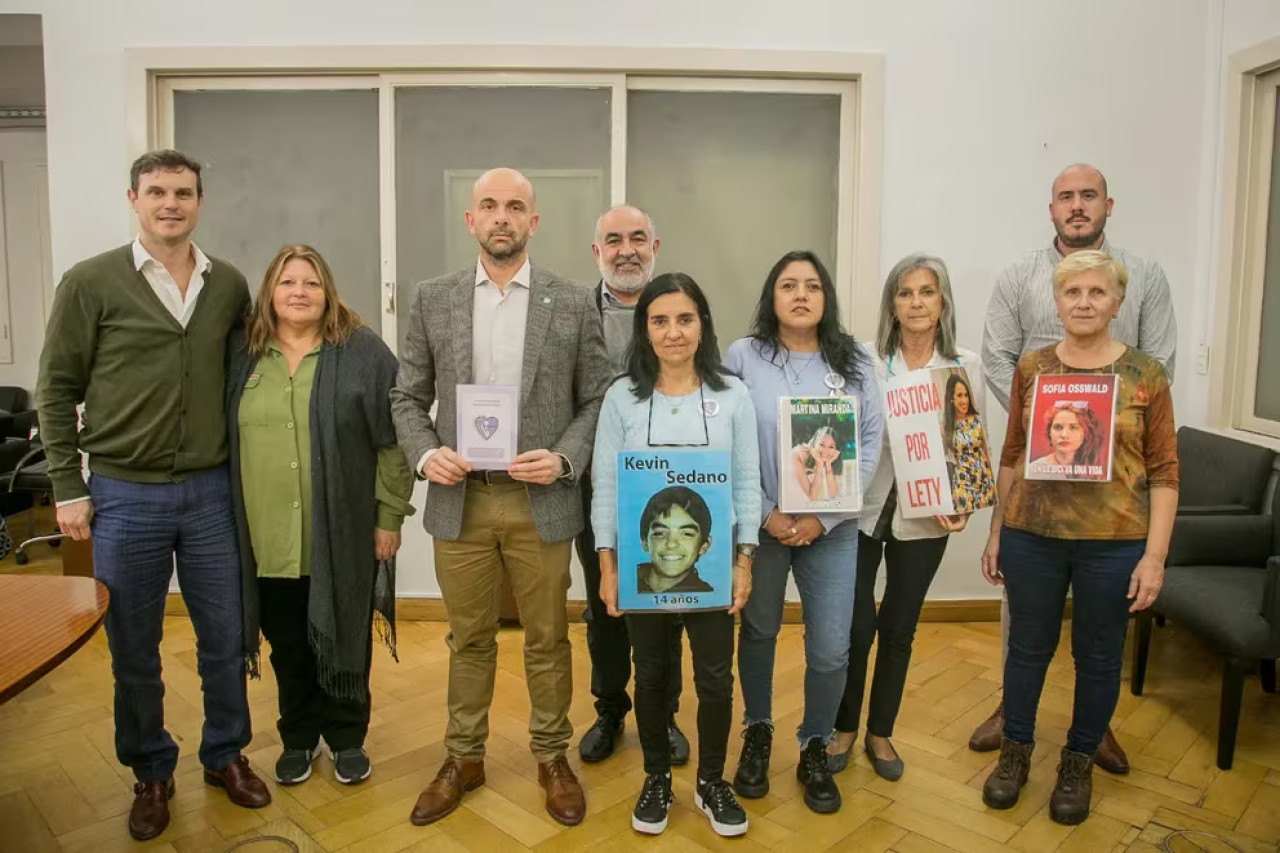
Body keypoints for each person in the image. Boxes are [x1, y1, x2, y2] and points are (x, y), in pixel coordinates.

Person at [34, 149, 270, 841]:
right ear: (133, 199)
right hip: (123, 494)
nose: (172, 202)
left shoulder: (225, 283)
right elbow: (54, 390)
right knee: (132, 644)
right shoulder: (90, 282)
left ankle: (226, 752)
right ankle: (151, 769)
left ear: (200, 201)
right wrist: (65, 487)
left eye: (185, 192)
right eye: (158, 191)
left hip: (209, 493)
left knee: (225, 637)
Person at [391, 167, 610, 828]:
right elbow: (406, 396)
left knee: (547, 636)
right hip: (462, 500)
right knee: (468, 638)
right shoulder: (434, 298)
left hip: (539, 500)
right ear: (471, 220)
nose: (502, 216)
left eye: (515, 206)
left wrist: (566, 456)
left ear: (534, 221)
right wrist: (428, 454)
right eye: (488, 205)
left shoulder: (571, 301)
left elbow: (598, 396)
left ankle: (551, 756)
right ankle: (464, 756)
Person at [975, 163, 1178, 772]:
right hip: (1035, 519)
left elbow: (1164, 463)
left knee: (1098, 652)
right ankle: (1017, 734)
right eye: (1066, 196)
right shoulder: (1031, 355)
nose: (1078, 205)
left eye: (1089, 195)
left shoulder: (1145, 349)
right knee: (1026, 645)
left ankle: (1086, 744)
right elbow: (1010, 438)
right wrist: (1048, 421)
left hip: (1114, 526)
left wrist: (1155, 554)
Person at [227, 244, 415, 787]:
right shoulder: (242, 356)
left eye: (310, 282)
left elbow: (393, 443)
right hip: (267, 536)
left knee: (345, 634)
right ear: (270, 292)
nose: (299, 292)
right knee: (287, 641)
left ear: (327, 290)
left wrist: (389, 517)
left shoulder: (362, 353)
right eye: (287, 282)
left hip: (343, 530)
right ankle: (299, 737)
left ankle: (347, 737)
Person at [592, 272, 760, 838]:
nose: (673, 332)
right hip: (644, 577)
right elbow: (607, 489)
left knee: (716, 678)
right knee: (652, 676)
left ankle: (712, 781)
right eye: (659, 320)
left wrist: (744, 560)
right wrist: (609, 566)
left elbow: (745, 484)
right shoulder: (623, 397)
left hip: (713, 571)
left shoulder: (733, 395)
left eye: (684, 319)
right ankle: (657, 776)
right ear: (644, 329)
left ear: (703, 325)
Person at [726, 250, 883, 814]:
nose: (800, 295)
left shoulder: (859, 360)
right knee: (760, 630)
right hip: (761, 525)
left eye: (812, 286)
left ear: (826, 297)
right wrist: (764, 512)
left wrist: (825, 517)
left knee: (831, 647)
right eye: (788, 285)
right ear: (772, 295)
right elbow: (729, 440)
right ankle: (759, 730)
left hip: (832, 531)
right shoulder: (744, 356)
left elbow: (866, 450)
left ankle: (815, 744)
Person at [829, 254, 979, 783]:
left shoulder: (964, 364)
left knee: (899, 627)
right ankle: (843, 727)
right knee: (854, 626)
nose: (916, 302)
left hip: (928, 519)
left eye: (927, 292)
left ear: (942, 302)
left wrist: (961, 501)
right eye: (905, 292)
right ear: (891, 304)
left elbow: (968, 444)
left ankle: (879, 732)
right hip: (863, 510)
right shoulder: (862, 360)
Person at [576, 204, 689, 766]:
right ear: (597, 252)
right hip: (593, 485)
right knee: (607, 604)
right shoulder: (573, 313)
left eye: (637, 238)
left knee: (666, 600)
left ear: (655, 245)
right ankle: (611, 708)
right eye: (613, 240)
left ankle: (663, 714)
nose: (627, 249)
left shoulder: (675, 309)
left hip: (665, 487)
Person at [635, 487, 716, 594]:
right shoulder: (624, 584)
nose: (671, 544)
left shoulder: (708, 598)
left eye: (687, 534)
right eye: (660, 533)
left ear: (704, 546)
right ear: (644, 542)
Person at [943, 372, 997, 510]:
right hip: (962, 479)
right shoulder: (947, 427)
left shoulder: (976, 420)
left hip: (982, 477)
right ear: (951, 399)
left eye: (966, 395)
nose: (964, 400)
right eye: (959, 395)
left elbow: (985, 449)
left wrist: (990, 480)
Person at [1028, 402, 1105, 477]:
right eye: (1058, 427)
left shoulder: (1095, 470)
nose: (1064, 435)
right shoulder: (1033, 471)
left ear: (1086, 433)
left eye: (1073, 427)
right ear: (1049, 433)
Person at [789, 425, 843, 503]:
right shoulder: (798, 456)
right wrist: (819, 464)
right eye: (822, 445)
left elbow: (833, 494)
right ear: (815, 443)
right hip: (790, 503)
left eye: (831, 447)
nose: (825, 451)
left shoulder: (824, 459)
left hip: (804, 505)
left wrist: (828, 465)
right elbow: (813, 497)